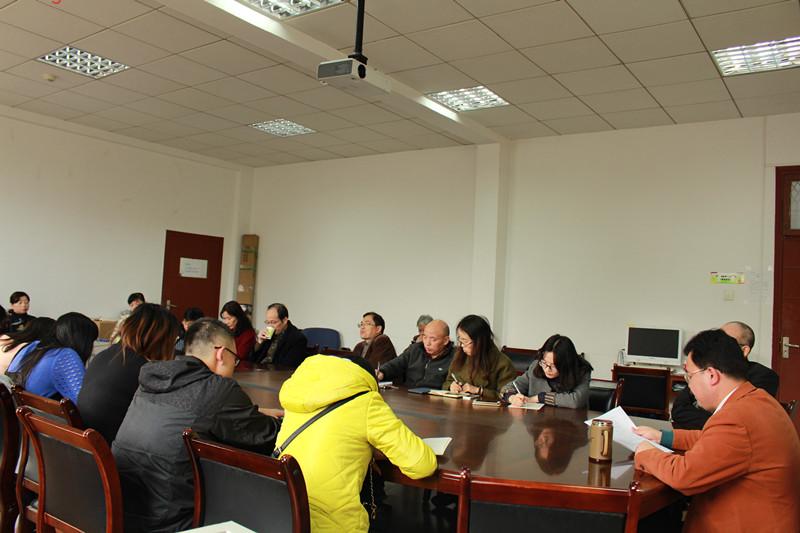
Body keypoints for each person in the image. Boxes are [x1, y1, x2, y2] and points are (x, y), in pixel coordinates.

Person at [112, 318, 281, 533]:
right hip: (172, 521)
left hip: (123, 510)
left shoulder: (153, 380)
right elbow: (268, 437)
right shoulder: (218, 389)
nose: (234, 367)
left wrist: (250, 413)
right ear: (221, 354)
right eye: (235, 359)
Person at [634, 329, 800, 533]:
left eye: (690, 376)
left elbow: (684, 476)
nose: (689, 385)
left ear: (712, 375)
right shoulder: (757, 399)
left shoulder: (736, 417)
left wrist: (646, 453)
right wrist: (663, 437)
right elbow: (713, 439)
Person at [276, 354, 437, 532]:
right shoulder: (366, 401)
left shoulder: (299, 396)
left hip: (284, 516)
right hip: (333, 525)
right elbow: (422, 465)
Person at [79, 304, 180, 443]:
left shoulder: (104, 355)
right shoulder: (146, 370)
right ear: (162, 338)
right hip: (115, 448)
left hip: (90, 444)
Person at [671, 320, 779, 429]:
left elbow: (736, 421)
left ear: (744, 351)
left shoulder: (763, 376)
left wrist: (715, 421)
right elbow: (678, 411)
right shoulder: (706, 370)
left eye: (727, 342)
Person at [5, 312, 98, 403]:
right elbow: (85, 402)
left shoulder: (33, 346)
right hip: (43, 412)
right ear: (83, 340)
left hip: (23, 410)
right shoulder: (64, 355)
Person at [501, 334, 593, 408]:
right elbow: (508, 387)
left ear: (566, 364)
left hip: (571, 422)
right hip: (538, 421)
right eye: (544, 363)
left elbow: (576, 401)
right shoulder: (536, 366)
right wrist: (512, 398)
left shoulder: (581, 370)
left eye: (553, 366)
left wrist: (540, 398)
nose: (547, 369)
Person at [442, 315, 516, 401]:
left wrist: (479, 391)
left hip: (486, 408)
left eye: (465, 341)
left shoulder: (503, 363)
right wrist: (451, 386)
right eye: (460, 340)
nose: (461, 345)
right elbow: (447, 381)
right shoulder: (460, 356)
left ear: (479, 341)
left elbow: (507, 396)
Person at [377, 319, 455, 389]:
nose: (427, 343)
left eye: (433, 339)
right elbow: (396, 364)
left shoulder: (455, 356)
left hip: (436, 398)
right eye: (425, 337)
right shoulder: (416, 349)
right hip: (409, 394)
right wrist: (382, 372)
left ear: (445, 340)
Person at [251, 303, 308, 368]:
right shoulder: (269, 334)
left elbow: (287, 367)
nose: (270, 326)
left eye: (273, 322)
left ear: (284, 320)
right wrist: (259, 342)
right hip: (260, 370)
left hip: (276, 372)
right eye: (268, 322)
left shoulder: (297, 338)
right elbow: (252, 359)